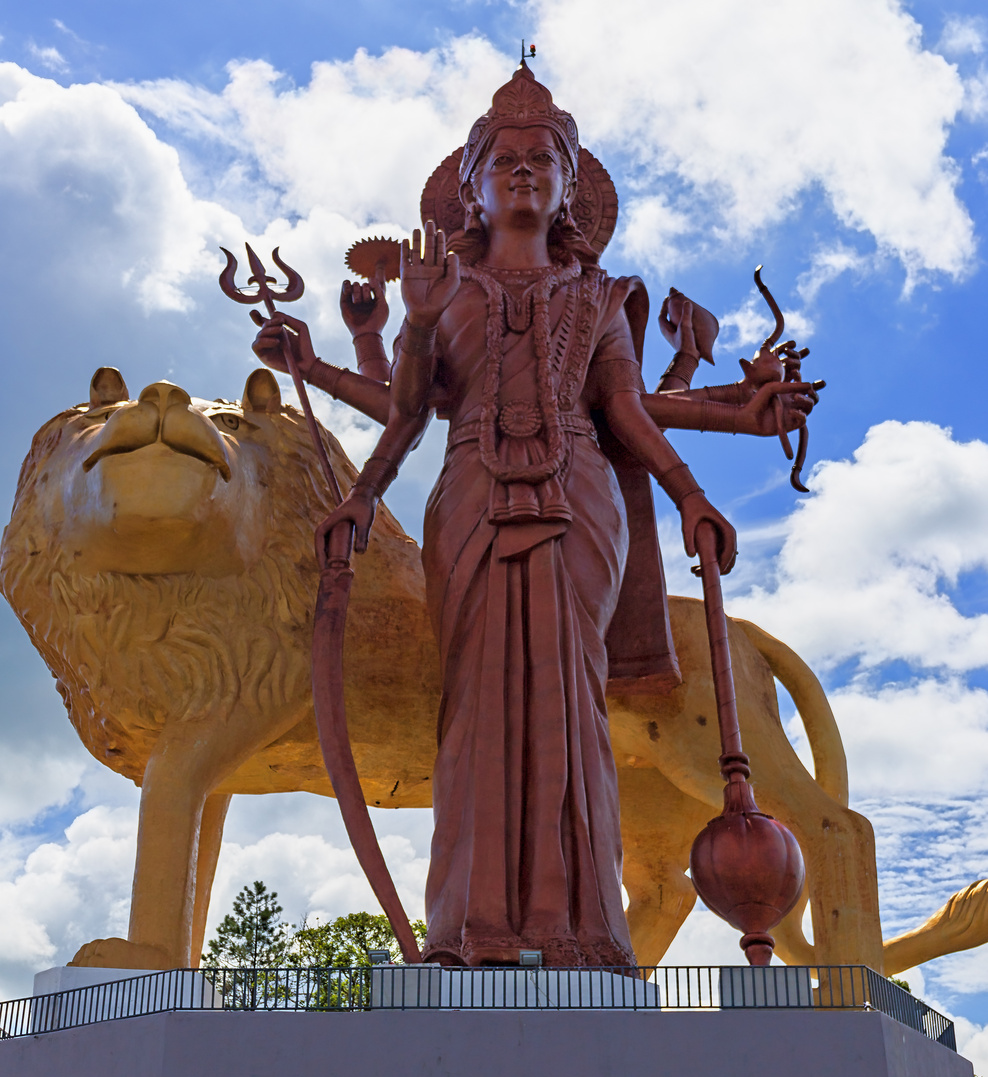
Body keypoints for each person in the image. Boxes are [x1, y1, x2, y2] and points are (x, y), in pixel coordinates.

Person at [253, 63, 816, 967]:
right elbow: (408, 412)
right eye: (504, 160)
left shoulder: (601, 296)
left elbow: (626, 409)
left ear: (567, 188)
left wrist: (691, 495)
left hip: (579, 496)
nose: (522, 171)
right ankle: (466, 931)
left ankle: (581, 932)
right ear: (471, 190)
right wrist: (362, 483)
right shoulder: (441, 291)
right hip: (470, 492)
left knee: (570, 699)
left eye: (541, 160)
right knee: (473, 704)